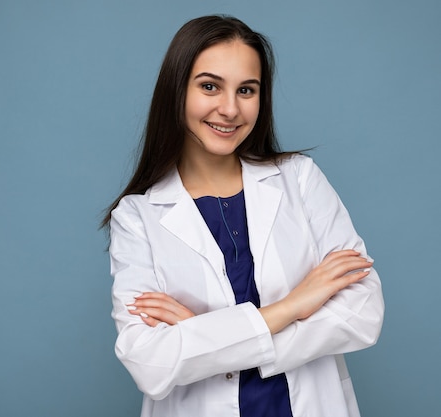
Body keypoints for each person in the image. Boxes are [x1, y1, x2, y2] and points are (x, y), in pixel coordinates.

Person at [102, 15, 384, 417]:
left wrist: (206, 335)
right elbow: (150, 362)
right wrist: (293, 306)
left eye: (246, 90)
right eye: (210, 86)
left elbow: (363, 312)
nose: (230, 109)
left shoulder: (299, 180)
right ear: (176, 91)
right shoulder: (136, 217)